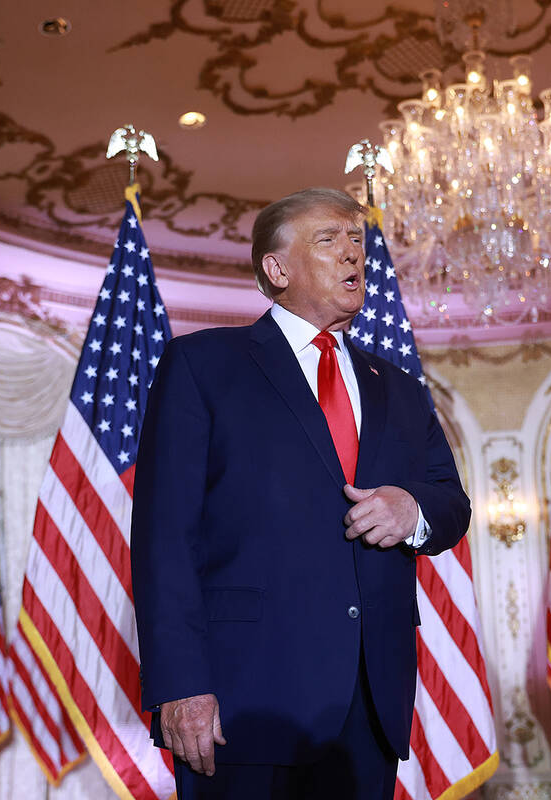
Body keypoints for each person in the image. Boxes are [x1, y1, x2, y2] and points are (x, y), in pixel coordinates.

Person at [131, 187, 471, 800]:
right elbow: (164, 539)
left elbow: (452, 503)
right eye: (330, 240)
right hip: (241, 702)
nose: (354, 256)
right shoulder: (203, 365)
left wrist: (412, 509)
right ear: (277, 269)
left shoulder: (395, 385)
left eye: (358, 243)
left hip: (369, 709)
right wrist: (179, 684)